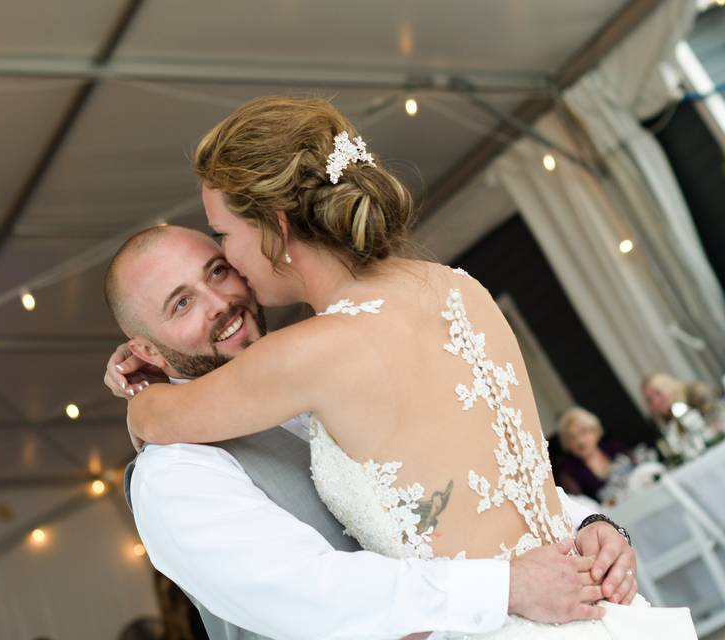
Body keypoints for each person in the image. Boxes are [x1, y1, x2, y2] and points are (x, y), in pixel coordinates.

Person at [124, 97, 695, 638]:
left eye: (224, 246)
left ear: (275, 226)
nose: (234, 276)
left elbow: (156, 416)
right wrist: (587, 533)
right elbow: (480, 478)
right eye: (181, 301)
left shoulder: (306, 354)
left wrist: (138, 389)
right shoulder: (455, 288)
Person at [104, 225, 641, 640]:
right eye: (182, 303)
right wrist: (506, 586)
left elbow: (465, 482)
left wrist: (587, 525)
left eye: (218, 271)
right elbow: (310, 596)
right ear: (145, 350)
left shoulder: (314, 366)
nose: (219, 302)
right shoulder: (173, 475)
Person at [555, 408, 628, 501]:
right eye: (572, 437)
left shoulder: (614, 448)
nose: (580, 441)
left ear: (595, 431)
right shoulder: (569, 472)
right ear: (567, 443)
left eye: (583, 432)